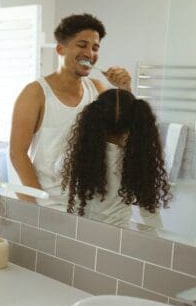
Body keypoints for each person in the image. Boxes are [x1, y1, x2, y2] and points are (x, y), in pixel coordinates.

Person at [10, 13, 132, 209]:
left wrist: (125, 89)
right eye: (82, 45)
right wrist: (37, 203)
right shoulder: (35, 93)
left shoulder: (97, 89)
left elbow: (122, 136)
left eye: (95, 47)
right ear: (60, 49)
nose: (90, 53)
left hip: (88, 204)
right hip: (49, 203)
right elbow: (17, 153)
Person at [60, 88, 171, 227]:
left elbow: (58, 171)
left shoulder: (79, 156)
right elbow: (149, 215)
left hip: (81, 230)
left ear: (93, 121)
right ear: (134, 125)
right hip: (118, 236)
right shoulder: (135, 161)